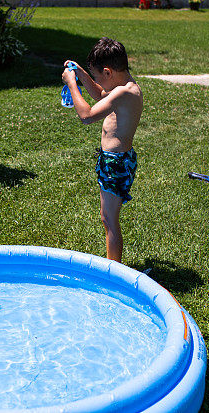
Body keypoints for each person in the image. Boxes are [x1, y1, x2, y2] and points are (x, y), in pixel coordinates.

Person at [62, 38, 143, 263]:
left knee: (109, 220)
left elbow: (86, 116)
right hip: (116, 160)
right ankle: (113, 264)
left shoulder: (123, 93)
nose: (98, 82)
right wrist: (81, 73)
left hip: (115, 163)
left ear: (108, 72)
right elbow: (100, 95)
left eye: (98, 76)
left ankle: (113, 270)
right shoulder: (124, 87)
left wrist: (71, 84)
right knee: (107, 217)